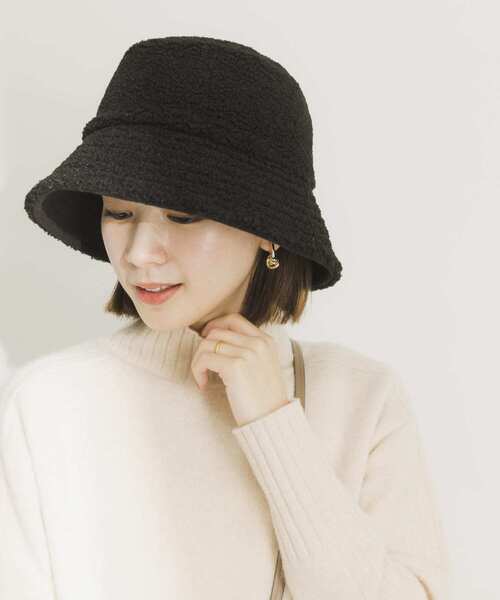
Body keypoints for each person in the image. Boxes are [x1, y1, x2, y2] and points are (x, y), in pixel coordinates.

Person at [0, 36, 450, 600]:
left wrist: (273, 424)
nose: (139, 253)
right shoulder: (49, 401)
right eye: (119, 212)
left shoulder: (361, 398)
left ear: (267, 229)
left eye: (182, 216)